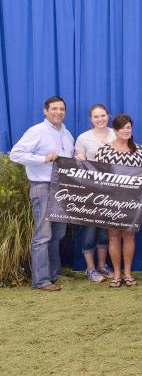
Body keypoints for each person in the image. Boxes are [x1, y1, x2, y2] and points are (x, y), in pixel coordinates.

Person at [10, 96, 74, 291]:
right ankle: (41, 280)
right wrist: (43, 158)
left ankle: (53, 276)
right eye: (54, 109)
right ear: (45, 111)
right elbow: (15, 154)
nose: (58, 112)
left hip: (62, 188)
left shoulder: (67, 134)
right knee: (43, 235)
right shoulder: (37, 131)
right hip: (43, 186)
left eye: (62, 109)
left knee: (58, 234)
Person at [95, 114, 142, 288]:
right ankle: (117, 274)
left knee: (129, 235)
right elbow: (97, 177)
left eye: (129, 127)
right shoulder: (104, 150)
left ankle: (128, 273)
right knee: (113, 236)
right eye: (123, 127)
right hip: (111, 200)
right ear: (115, 130)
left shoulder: (140, 150)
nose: (127, 130)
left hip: (132, 201)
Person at [74, 104, 116, 282]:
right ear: (91, 119)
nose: (100, 119)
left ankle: (102, 265)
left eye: (103, 115)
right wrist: (78, 159)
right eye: (96, 117)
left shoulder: (116, 134)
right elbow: (75, 165)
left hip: (112, 191)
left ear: (108, 116)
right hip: (90, 192)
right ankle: (90, 268)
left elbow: (127, 157)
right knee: (90, 229)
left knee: (105, 231)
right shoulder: (83, 138)